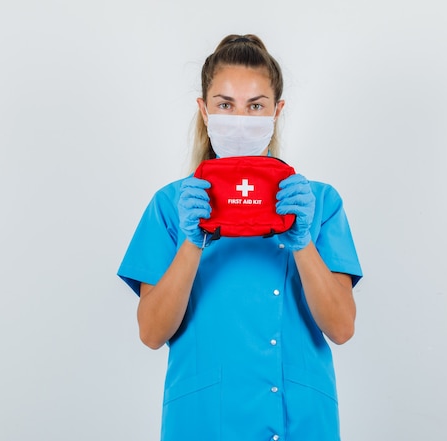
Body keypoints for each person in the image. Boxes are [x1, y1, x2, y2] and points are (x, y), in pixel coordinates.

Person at [117, 34, 363, 441]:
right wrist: (191, 243)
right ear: (205, 109)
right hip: (202, 422)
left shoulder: (317, 203)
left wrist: (301, 242)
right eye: (225, 104)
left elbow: (341, 327)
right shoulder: (172, 205)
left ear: (276, 111)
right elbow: (151, 333)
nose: (241, 119)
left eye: (256, 106)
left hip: (299, 421)